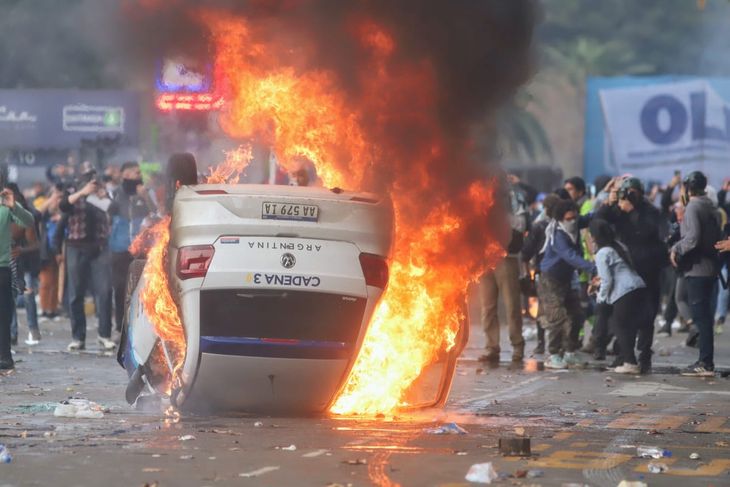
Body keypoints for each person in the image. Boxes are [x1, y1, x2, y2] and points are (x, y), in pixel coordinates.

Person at [596, 177, 667, 373]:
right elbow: (598, 222)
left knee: (648, 316)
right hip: (627, 270)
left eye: (633, 192)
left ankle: (644, 355)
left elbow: (651, 232)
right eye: (627, 192)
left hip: (649, 270)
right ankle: (624, 355)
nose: (630, 196)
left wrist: (633, 210)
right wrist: (608, 201)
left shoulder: (650, 211)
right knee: (623, 317)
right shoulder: (619, 209)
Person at [671, 171, 722, 377]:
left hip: (697, 268)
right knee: (705, 317)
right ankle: (705, 360)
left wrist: (676, 248)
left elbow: (692, 238)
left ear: (688, 188)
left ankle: (705, 362)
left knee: (701, 318)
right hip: (711, 268)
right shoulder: (712, 207)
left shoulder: (693, 206)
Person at [60, 168, 115, 351]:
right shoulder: (73, 191)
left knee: (104, 292)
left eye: (93, 178)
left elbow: (115, 210)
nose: (92, 182)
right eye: (88, 179)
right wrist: (82, 193)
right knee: (76, 293)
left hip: (100, 246)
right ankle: (78, 337)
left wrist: (103, 195)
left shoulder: (103, 192)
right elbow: (63, 206)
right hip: (76, 247)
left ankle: (104, 334)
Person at [539, 199, 595, 369]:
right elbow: (570, 256)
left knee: (577, 314)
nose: (573, 221)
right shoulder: (558, 235)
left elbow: (593, 217)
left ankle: (570, 351)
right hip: (551, 279)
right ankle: (553, 354)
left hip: (567, 279)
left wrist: (610, 202)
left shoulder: (576, 225)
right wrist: (592, 267)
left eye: (574, 217)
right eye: (569, 218)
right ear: (561, 219)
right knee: (557, 317)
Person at [479, 175, 527, 368]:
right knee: (487, 307)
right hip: (484, 259)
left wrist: (499, 219)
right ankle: (491, 347)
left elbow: (522, 223)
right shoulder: (478, 196)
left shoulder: (513, 197)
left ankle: (517, 346)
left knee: (512, 305)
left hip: (506, 257)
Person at [590, 219, 650, 374]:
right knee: (628, 326)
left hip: (624, 292)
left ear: (594, 237)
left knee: (619, 326)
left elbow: (607, 280)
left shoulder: (602, 253)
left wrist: (601, 298)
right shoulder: (618, 246)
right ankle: (624, 359)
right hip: (637, 286)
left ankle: (630, 362)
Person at [109, 162, 156, 334]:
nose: (139, 175)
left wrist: (145, 197)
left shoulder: (146, 192)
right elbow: (108, 213)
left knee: (141, 287)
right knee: (120, 287)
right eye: (135, 173)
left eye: (139, 172)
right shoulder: (115, 193)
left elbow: (156, 215)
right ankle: (121, 326)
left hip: (140, 248)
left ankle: (139, 326)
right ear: (125, 175)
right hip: (119, 247)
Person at [521, 193, 562, 354]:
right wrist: (528, 275)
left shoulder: (552, 225)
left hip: (550, 272)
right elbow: (527, 252)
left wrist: (527, 274)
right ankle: (547, 344)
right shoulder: (543, 226)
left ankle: (546, 344)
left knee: (546, 310)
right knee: (547, 310)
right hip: (548, 273)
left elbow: (526, 253)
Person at [0, 186, 35, 370]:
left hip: (2, 268)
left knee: (4, 316)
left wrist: (15, 206)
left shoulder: (6, 208)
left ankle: (5, 356)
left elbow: (29, 221)